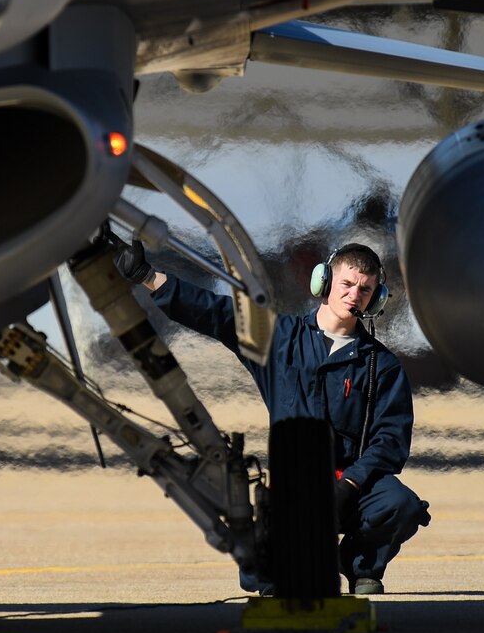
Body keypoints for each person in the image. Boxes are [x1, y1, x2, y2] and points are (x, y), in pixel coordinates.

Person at [113, 237, 430, 596]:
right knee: (265, 578)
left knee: (400, 505)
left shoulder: (381, 365)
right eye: (346, 284)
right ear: (324, 282)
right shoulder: (280, 339)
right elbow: (216, 314)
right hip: (296, 484)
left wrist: (350, 485)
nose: (354, 295)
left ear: (376, 298)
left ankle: (359, 564)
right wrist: (147, 276)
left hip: (352, 486)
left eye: (365, 289)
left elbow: (390, 441)